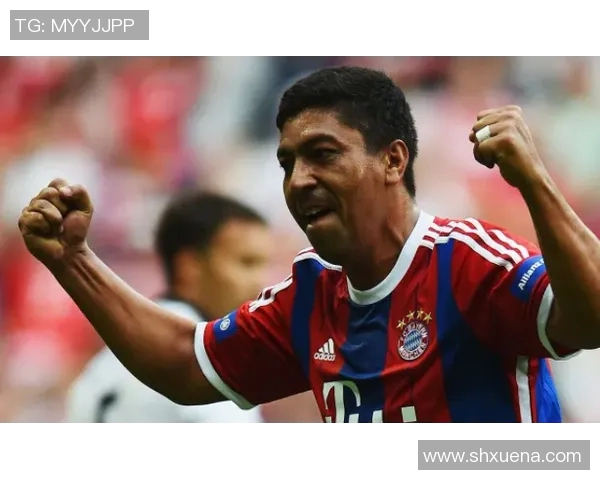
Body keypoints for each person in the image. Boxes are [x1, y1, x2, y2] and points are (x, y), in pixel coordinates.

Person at [18, 66, 600, 423]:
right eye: (287, 163)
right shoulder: (309, 295)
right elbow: (183, 365)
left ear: (393, 161)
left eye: (323, 155)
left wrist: (535, 182)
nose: (298, 181)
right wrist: (73, 261)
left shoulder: (468, 262)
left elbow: (592, 317)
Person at [65, 191, 271, 422]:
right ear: (190, 266)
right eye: (247, 263)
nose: (260, 282)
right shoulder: (207, 359)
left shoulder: (107, 359)